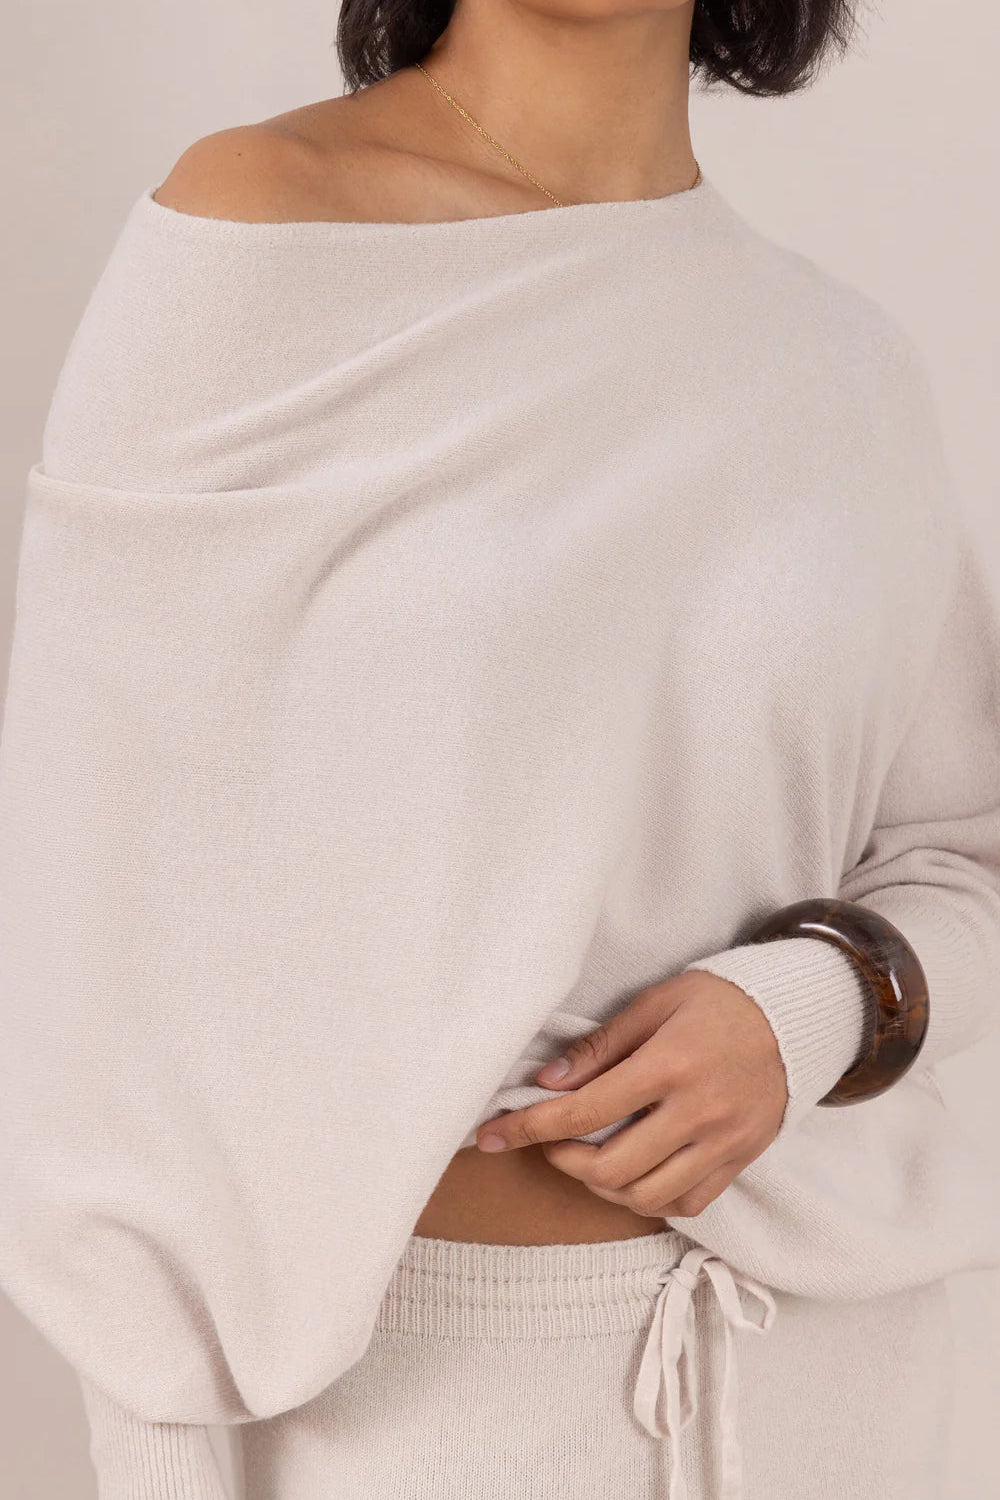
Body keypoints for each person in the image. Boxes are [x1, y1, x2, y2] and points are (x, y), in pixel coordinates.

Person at [2, 1, 998, 1497]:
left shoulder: (841, 364)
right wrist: (158, 1440)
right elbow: (105, 907)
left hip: (828, 1380)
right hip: (408, 1411)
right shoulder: (263, 231)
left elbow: (965, 854)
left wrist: (809, 1009)